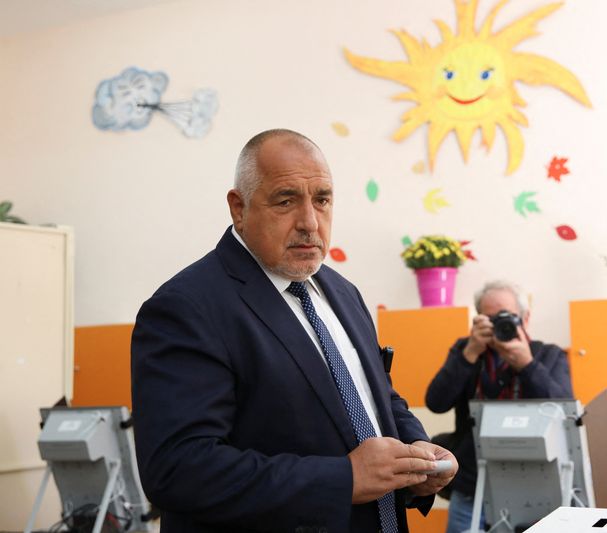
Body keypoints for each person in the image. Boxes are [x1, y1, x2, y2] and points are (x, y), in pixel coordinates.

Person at [131, 129, 458, 533]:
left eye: (322, 200)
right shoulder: (187, 307)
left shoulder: (341, 291)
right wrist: (343, 478)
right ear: (239, 207)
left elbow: (376, 398)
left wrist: (416, 451)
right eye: (286, 200)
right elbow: (177, 469)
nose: (309, 222)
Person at [425, 281, 572, 533]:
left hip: (535, 484)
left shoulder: (547, 355)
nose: (498, 325)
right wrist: (469, 353)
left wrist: (527, 365)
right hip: (472, 484)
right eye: (489, 318)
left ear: (525, 318)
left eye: (506, 316)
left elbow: (563, 412)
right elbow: (436, 402)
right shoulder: (467, 350)